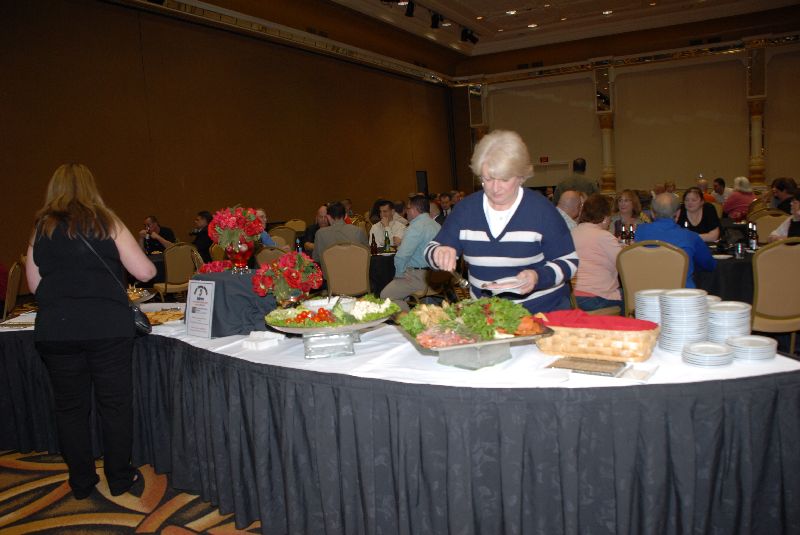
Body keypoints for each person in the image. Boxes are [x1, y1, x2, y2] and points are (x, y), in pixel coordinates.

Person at [25, 164, 156, 500]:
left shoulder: (41, 228)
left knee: (70, 409)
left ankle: (82, 482)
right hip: (107, 327)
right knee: (114, 406)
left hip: (57, 330)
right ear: (90, 187)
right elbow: (145, 272)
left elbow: (34, 286)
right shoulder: (107, 221)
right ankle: (120, 478)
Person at [425, 130, 578, 314]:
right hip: (487, 314)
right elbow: (432, 249)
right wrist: (438, 253)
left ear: (521, 176)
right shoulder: (466, 210)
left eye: (504, 179)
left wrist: (537, 276)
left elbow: (569, 261)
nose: (495, 188)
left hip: (541, 312)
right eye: (487, 179)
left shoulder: (541, 211)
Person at [635, 193, 716, 288]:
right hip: (682, 294)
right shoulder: (691, 237)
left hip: (647, 292)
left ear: (652, 213)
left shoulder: (640, 231)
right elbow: (710, 265)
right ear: (678, 213)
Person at [380, 195, 441, 311]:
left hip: (419, 277)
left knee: (385, 296)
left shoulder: (415, 227)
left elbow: (401, 256)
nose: (406, 212)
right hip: (437, 277)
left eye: (408, 208)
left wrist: (399, 275)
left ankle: (409, 319)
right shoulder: (436, 225)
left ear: (413, 209)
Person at [571, 194, 623, 312]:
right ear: (604, 218)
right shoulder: (604, 236)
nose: (610, 221)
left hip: (574, 298)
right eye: (610, 217)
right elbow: (625, 265)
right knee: (633, 297)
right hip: (597, 298)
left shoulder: (572, 233)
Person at [312, 201, 368, 272]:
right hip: (357, 275)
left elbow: (316, 259)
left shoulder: (320, 234)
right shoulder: (358, 231)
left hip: (331, 277)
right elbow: (367, 253)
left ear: (328, 216)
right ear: (345, 216)